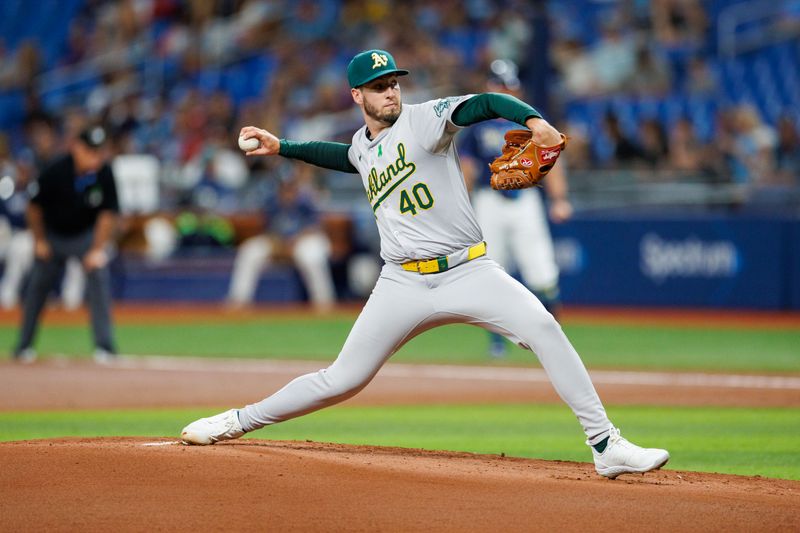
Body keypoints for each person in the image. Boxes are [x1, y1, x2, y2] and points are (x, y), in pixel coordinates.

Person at [181, 49, 669, 479]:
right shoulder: (362, 145)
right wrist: (282, 146)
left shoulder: (426, 119)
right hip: (401, 283)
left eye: (394, 82)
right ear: (357, 96)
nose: (390, 92)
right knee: (342, 380)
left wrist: (534, 121)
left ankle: (606, 446)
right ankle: (235, 421)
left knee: (544, 326)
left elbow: (484, 103)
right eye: (378, 86)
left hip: (469, 271)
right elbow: (343, 157)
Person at [459, 73, 571, 358]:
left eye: (509, 86)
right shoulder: (477, 122)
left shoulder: (531, 118)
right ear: (490, 88)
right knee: (490, 271)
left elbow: (552, 157)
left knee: (541, 270)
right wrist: (462, 206)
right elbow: (468, 168)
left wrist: (559, 198)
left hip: (525, 198)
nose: (505, 90)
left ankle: (552, 334)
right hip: (489, 200)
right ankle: (497, 341)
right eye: (500, 86)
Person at [11, 125, 120, 364]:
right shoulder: (55, 170)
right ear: (76, 147)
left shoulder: (104, 173)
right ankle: (23, 346)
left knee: (98, 276)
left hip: (84, 236)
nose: (95, 157)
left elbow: (107, 215)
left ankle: (105, 347)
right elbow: (34, 207)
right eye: (90, 151)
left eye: (98, 152)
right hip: (54, 236)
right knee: (38, 287)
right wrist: (39, 241)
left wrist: (97, 250)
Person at [226, 172, 335, 310]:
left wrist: (293, 242)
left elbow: (314, 227)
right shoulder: (272, 202)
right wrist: (276, 243)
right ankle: (238, 301)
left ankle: (324, 304)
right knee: (249, 251)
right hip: (280, 243)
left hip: (306, 241)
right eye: (284, 187)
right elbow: (268, 229)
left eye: (290, 187)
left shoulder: (306, 201)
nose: (287, 190)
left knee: (311, 258)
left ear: (296, 187)